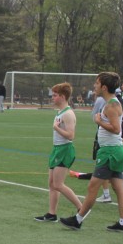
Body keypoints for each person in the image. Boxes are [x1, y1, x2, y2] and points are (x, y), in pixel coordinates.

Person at [60, 72, 123, 233]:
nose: (94, 86)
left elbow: (116, 129)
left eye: (97, 83)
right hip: (114, 150)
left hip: (110, 152)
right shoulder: (111, 103)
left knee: (93, 186)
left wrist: (99, 122)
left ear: (104, 87)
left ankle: (78, 220)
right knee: (118, 187)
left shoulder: (111, 106)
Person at [35, 83, 83, 222]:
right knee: (52, 183)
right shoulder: (60, 112)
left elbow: (71, 135)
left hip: (64, 150)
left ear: (62, 96)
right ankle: (52, 214)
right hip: (57, 149)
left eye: (55, 95)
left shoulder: (68, 114)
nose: (52, 98)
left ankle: (82, 208)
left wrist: (56, 128)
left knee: (58, 184)